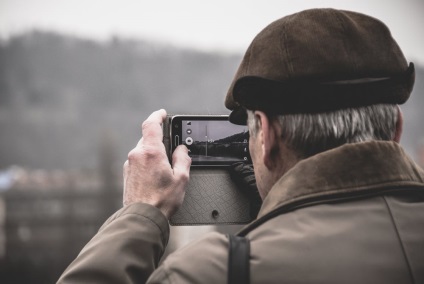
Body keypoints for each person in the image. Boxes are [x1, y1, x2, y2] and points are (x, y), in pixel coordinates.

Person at [58, 8, 424, 283]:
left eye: (249, 132)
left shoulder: (212, 272)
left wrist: (140, 213)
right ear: (396, 128)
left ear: (266, 136)